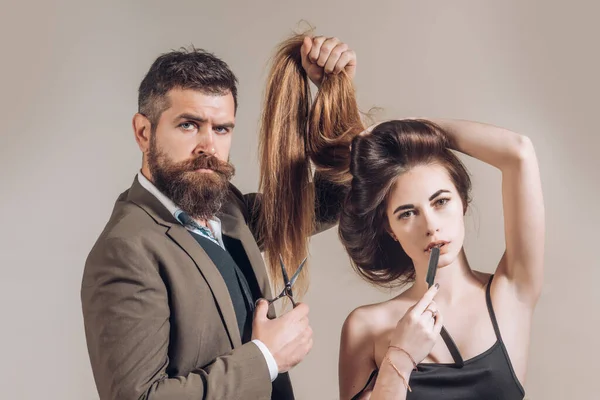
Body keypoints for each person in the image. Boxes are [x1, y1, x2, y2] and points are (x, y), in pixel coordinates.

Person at [80, 34, 356, 400]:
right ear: (143, 132)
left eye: (221, 129)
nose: (208, 147)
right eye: (188, 125)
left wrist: (332, 93)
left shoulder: (225, 208)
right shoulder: (126, 250)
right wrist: (266, 358)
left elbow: (329, 199)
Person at [337, 119, 544, 400]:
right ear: (390, 229)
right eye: (407, 213)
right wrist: (401, 355)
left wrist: (412, 128)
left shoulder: (511, 292)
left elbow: (519, 151)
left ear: (463, 202)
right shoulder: (366, 327)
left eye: (441, 201)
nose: (430, 225)